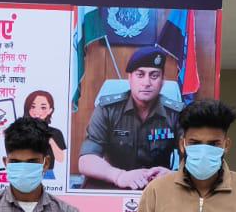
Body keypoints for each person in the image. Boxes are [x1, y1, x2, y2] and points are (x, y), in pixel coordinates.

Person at [77, 43, 181, 191]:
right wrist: (119, 175)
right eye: (140, 75)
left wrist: (173, 175)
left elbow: (193, 160)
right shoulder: (108, 109)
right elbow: (86, 160)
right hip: (114, 185)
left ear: (162, 80)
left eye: (154, 76)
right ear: (130, 78)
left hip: (159, 189)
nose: (147, 83)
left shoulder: (176, 113)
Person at [23, 89, 68, 170]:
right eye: (33, 107)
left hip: (47, 173)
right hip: (24, 172)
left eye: (43, 107)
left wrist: (50, 141)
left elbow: (60, 159)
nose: (37, 111)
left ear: (50, 110)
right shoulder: (20, 130)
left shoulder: (55, 132)